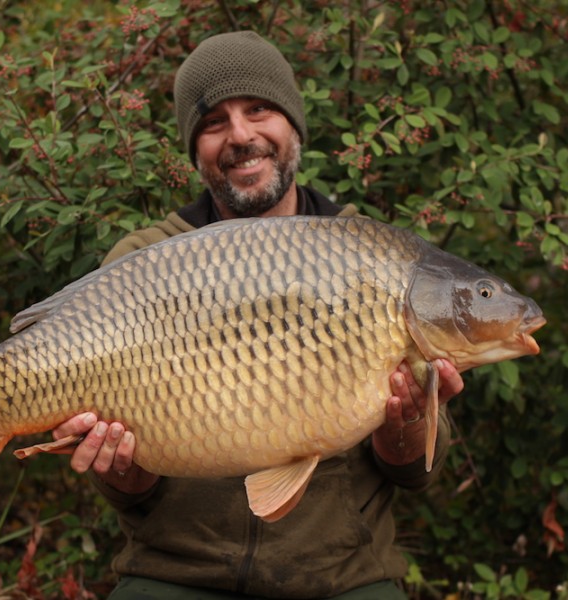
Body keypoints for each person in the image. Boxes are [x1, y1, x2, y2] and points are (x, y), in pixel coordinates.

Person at [52, 31, 464, 599]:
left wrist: (408, 427)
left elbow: (416, 473)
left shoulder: (373, 256)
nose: (241, 135)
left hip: (344, 577)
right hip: (175, 572)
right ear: (195, 149)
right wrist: (122, 469)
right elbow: (131, 493)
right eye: (215, 122)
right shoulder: (141, 264)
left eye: (259, 110)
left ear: (292, 125)